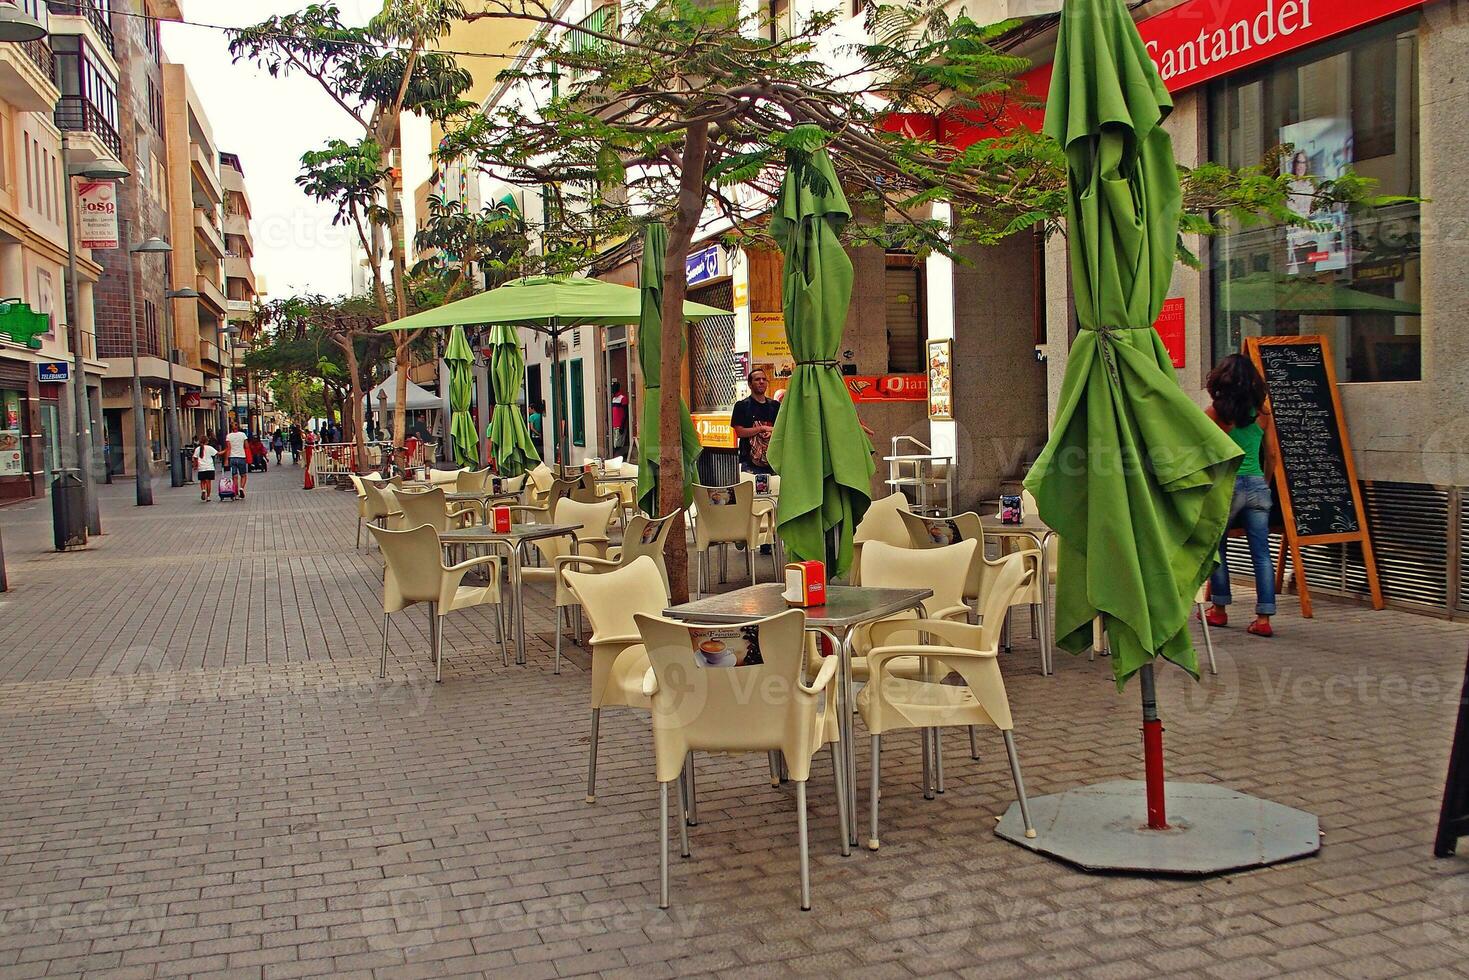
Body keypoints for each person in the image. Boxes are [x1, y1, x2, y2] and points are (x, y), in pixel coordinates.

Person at [1205, 354, 1277, 637]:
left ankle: (1219, 610)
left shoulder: (1215, 414)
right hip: (1257, 484)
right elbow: (1271, 453)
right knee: (1261, 554)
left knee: (1218, 550)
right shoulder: (1263, 413)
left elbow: (1203, 453)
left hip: (1225, 486)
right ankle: (1263, 618)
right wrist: (1265, 482)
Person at [731, 368, 779, 475]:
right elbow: (740, 432)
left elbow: (782, 429)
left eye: (764, 379)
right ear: (750, 384)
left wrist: (770, 431)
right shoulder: (741, 406)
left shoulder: (775, 406)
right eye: (757, 379)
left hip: (773, 461)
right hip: (749, 463)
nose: (761, 382)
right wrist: (761, 428)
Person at [223, 421, 250, 499]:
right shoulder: (243, 435)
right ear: (238, 427)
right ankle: (241, 488)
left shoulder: (228, 436)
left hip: (232, 458)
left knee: (234, 476)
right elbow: (246, 446)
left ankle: (236, 493)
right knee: (243, 475)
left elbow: (228, 448)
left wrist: (226, 460)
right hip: (241, 457)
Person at [609, 380, 629, 454]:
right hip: (614, 424)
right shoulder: (613, 399)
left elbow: (625, 412)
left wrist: (622, 425)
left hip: (620, 424)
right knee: (615, 443)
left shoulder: (622, 398)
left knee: (619, 444)